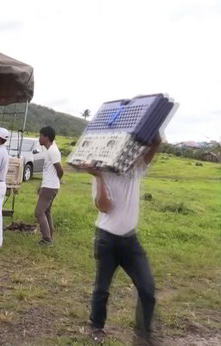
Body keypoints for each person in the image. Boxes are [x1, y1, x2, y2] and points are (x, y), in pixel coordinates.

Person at [86, 133, 162, 344]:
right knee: (102, 288)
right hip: (107, 240)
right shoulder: (103, 173)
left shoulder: (137, 168)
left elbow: (156, 142)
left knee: (147, 289)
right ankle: (96, 326)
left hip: (131, 241)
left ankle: (144, 332)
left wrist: (151, 124)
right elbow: (105, 207)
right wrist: (99, 177)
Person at [34, 126, 64, 246]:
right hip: (49, 185)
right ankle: (49, 236)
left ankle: (47, 239)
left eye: (40, 136)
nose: (39, 138)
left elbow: (60, 170)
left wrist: (54, 182)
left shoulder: (52, 150)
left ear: (46, 137)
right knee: (46, 212)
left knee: (38, 212)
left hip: (50, 187)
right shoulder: (49, 150)